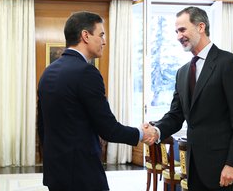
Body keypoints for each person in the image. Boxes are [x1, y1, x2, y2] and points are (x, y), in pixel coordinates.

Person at [37, 11, 155, 191]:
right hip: (82, 174)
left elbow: (42, 126)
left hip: (56, 172)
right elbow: (108, 129)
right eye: (101, 34)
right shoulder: (87, 73)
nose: (104, 41)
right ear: (85, 35)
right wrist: (141, 133)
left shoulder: (48, 72)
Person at [145, 7, 233, 191]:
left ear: (201, 27)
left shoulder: (228, 63)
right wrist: (156, 131)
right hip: (194, 169)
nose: (179, 36)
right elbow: (176, 115)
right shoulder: (183, 72)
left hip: (225, 170)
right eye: (176, 32)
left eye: (182, 30)